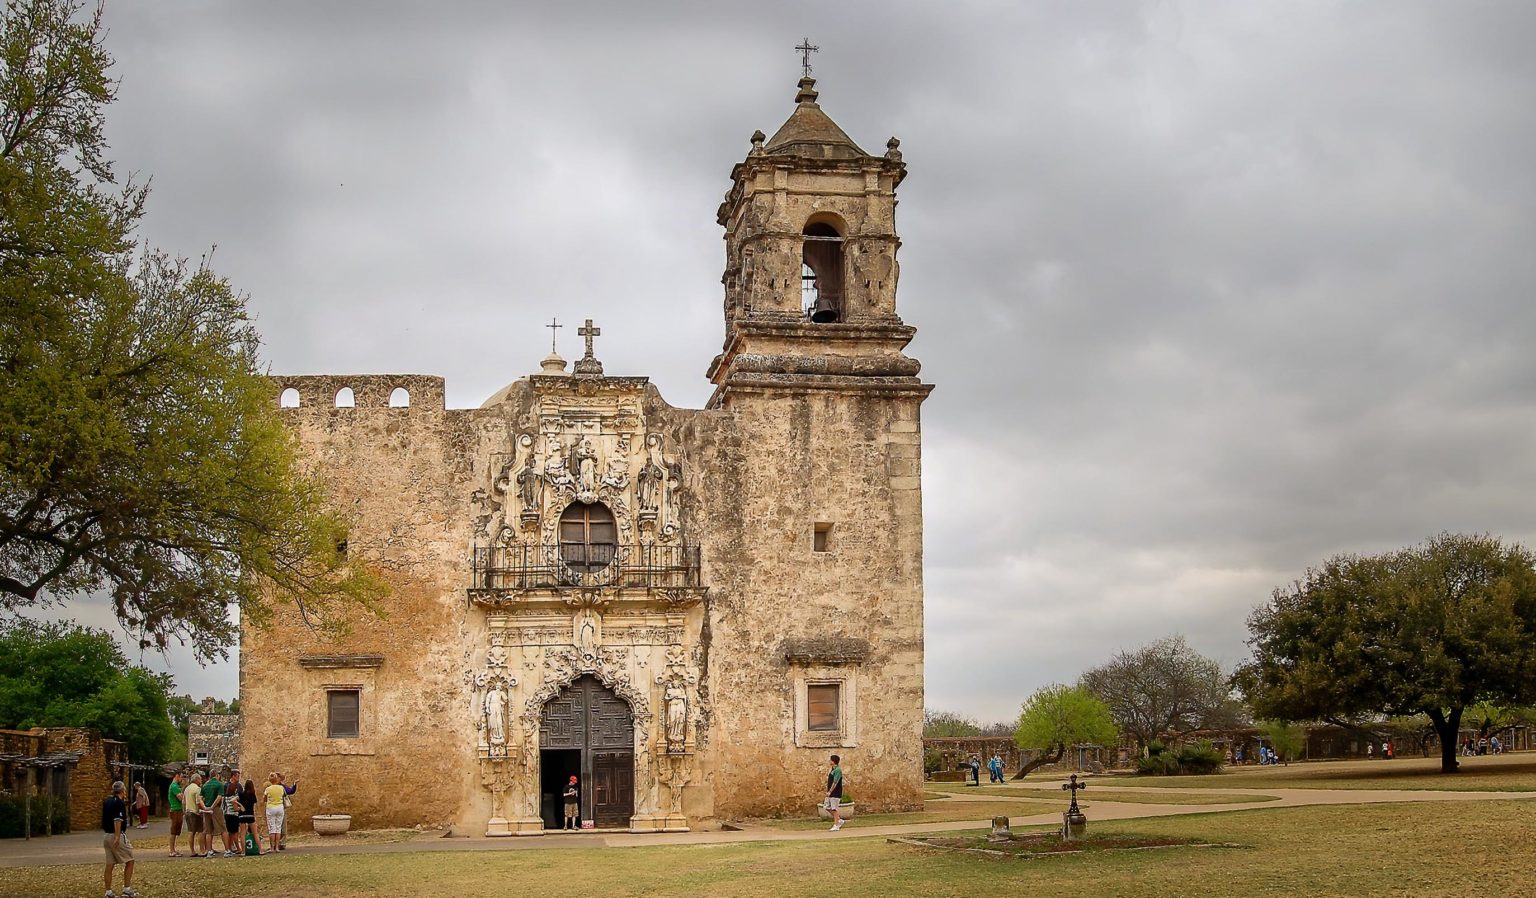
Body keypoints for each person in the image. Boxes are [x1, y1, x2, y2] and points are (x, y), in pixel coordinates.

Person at [102, 780, 138, 898]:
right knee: (130, 860)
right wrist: (117, 836)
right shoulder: (119, 803)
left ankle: (108, 892)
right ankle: (127, 889)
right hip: (115, 834)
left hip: (106, 835)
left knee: (110, 864)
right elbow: (117, 820)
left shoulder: (107, 801)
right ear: (123, 790)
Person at [201, 769, 224, 857]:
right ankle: (227, 849)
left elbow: (200, 798)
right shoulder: (219, 784)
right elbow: (219, 797)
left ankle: (209, 850)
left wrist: (205, 807)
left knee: (208, 831)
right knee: (223, 829)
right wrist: (212, 807)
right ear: (216, 775)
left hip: (206, 809)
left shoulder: (205, 785)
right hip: (215, 808)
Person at [263, 773, 287, 855]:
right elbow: (283, 796)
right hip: (280, 807)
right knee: (278, 827)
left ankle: (272, 847)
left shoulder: (268, 789)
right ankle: (277, 847)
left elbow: (264, 799)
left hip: (271, 808)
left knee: (272, 828)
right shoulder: (281, 788)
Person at [276, 773, 299, 850]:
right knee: (277, 826)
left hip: (281, 808)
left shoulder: (282, 786)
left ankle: (281, 843)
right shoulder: (273, 787)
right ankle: (277, 843)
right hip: (277, 808)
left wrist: (294, 785)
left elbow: (290, 791)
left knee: (282, 826)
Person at [238, 779, 260, 855]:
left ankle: (243, 851)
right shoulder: (252, 794)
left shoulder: (241, 794)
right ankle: (260, 850)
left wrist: (241, 806)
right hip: (250, 814)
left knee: (242, 834)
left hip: (242, 815)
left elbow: (233, 800)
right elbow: (255, 804)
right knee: (255, 833)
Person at [825, 754, 846, 831]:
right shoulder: (833, 769)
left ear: (833, 761)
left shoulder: (838, 770)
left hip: (835, 792)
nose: (829, 761)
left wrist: (830, 791)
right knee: (827, 806)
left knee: (834, 808)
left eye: (830, 760)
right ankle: (839, 820)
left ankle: (836, 825)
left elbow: (835, 782)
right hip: (830, 792)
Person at [167, 771, 186, 857]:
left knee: (177, 830)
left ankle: (174, 849)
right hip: (175, 810)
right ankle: (171, 850)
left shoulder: (177, 786)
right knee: (173, 830)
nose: (182, 779)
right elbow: (181, 798)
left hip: (179, 809)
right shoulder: (174, 786)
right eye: (181, 777)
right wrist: (183, 789)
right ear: (177, 776)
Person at [222, 778, 242, 857]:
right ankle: (238, 848)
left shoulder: (226, 798)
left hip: (227, 815)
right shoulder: (234, 798)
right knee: (235, 834)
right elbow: (235, 808)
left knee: (230, 833)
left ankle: (229, 848)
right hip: (233, 816)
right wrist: (241, 808)